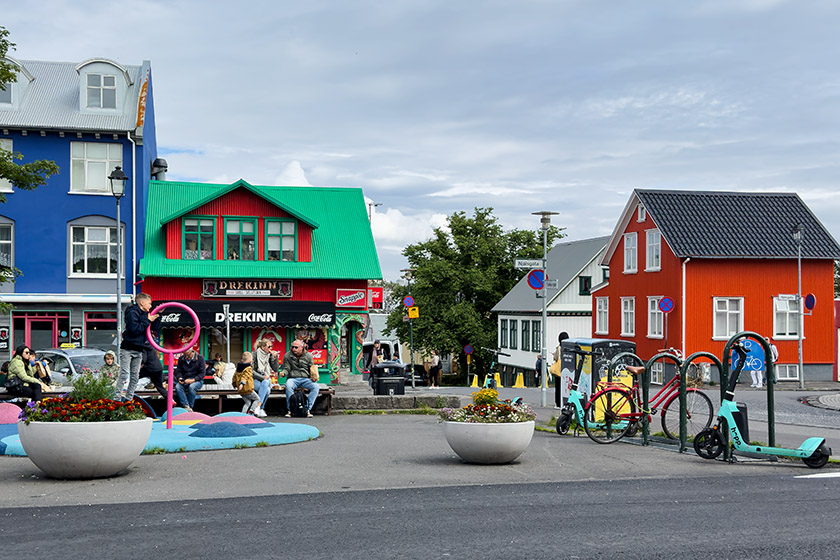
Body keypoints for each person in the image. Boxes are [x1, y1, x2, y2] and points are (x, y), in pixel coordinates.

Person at [117, 293, 160, 401]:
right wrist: (148, 320)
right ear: (142, 302)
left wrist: (158, 315)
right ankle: (116, 398)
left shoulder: (145, 314)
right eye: (149, 303)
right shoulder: (132, 312)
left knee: (135, 376)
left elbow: (154, 328)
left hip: (139, 349)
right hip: (128, 348)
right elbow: (135, 330)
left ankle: (128, 399)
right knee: (124, 374)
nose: (150, 306)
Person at [281, 339, 319, 418]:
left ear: (302, 347)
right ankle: (291, 409)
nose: (293, 349)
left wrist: (314, 376)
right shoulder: (288, 355)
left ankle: (307, 408)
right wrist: (283, 373)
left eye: (296, 347)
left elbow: (312, 367)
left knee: (315, 387)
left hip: (305, 378)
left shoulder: (308, 355)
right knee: (288, 385)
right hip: (293, 378)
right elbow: (286, 368)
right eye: (292, 347)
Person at [173, 347, 206, 412]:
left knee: (192, 387)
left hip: (197, 380)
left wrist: (193, 380)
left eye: (188, 355)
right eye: (185, 355)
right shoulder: (181, 359)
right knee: (178, 387)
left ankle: (190, 407)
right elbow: (178, 371)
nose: (186, 357)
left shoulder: (200, 358)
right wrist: (180, 378)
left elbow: (202, 373)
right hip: (185, 380)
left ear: (192, 352)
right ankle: (186, 405)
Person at [232, 351, 262, 416]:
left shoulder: (238, 368)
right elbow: (245, 376)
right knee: (258, 399)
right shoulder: (248, 368)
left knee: (247, 402)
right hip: (247, 389)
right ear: (250, 360)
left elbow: (234, 377)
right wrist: (242, 383)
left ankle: (243, 415)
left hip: (241, 391)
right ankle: (251, 411)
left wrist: (234, 384)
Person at [253, 339, 278, 410]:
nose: (271, 348)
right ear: (263, 347)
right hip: (255, 379)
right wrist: (262, 377)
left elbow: (275, 369)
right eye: (269, 346)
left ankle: (258, 407)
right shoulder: (254, 354)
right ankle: (261, 408)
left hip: (266, 379)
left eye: (271, 346)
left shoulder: (269, 355)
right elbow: (251, 371)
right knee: (267, 390)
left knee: (266, 383)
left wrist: (275, 358)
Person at [552, 332, 570, 408]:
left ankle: (558, 403)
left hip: (559, 370)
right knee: (566, 387)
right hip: (568, 369)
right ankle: (566, 402)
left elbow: (556, 358)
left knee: (558, 387)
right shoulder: (569, 346)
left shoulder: (559, 347)